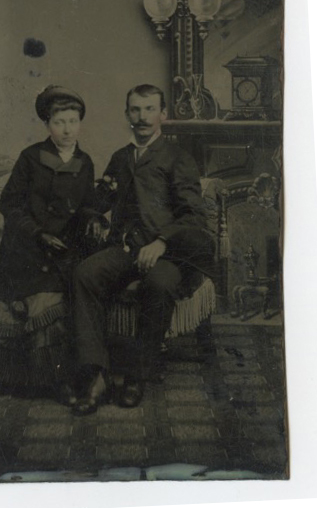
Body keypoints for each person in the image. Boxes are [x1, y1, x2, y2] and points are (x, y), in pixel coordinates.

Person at [70, 84, 212, 416]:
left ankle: (138, 375)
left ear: (163, 114)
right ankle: (97, 374)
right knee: (85, 274)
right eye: (135, 110)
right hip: (125, 249)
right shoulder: (120, 158)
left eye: (149, 109)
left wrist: (162, 241)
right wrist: (93, 215)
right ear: (127, 114)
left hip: (168, 251)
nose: (142, 117)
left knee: (159, 283)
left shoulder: (177, 158)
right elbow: (100, 199)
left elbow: (194, 215)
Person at [0, 85, 103, 395]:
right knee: (33, 299)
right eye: (59, 122)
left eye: (73, 121)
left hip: (64, 249)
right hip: (26, 248)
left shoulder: (84, 162)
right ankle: (36, 381)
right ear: (47, 124)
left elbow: (87, 204)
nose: (67, 130)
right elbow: (10, 204)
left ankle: (64, 377)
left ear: (80, 123)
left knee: (69, 294)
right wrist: (38, 233)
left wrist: (94, 219)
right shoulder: (31, 158)